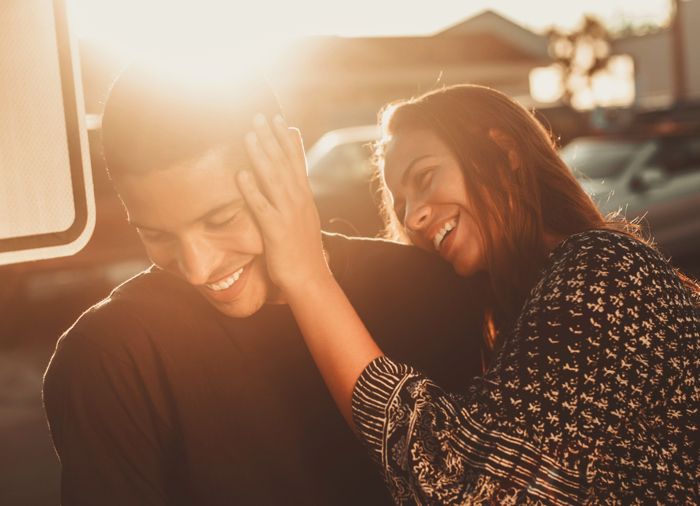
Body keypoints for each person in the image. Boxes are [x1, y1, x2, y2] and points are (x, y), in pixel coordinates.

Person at [42, 63, 488, 505]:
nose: (197, 268)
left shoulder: (427, 291)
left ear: (288, 162)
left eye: (221, 219)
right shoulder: (108, 359)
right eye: (156, 234)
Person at [237, 84, 700, 505]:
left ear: (504, 151)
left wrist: (307, 274)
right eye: (401, 207)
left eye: (425, 177)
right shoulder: (519, 315)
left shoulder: (605, 270)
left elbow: (463, 483)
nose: (414, 217)